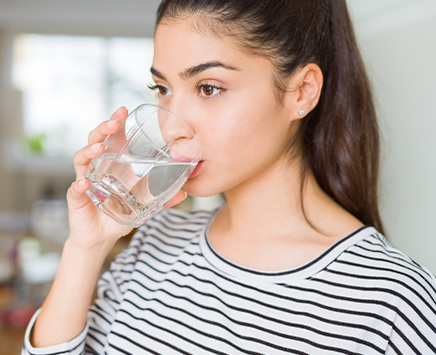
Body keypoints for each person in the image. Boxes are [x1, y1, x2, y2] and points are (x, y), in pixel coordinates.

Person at [22, 0, 436, 354]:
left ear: (301, 92)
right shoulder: (156, 238)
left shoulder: (391, 303)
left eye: (208, 88)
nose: (172, 128)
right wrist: (86, 248)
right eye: (162, 88)